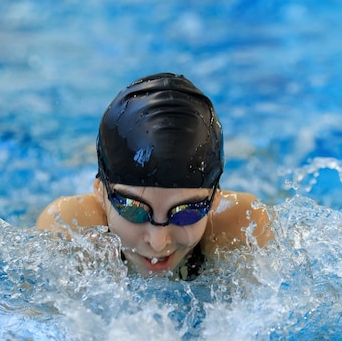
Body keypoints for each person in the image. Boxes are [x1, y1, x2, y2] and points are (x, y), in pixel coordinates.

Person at [36, 72, 272, 279]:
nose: (158, 241)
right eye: (132, 209)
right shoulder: (70, 230)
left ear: (215, 200)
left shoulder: (243, 229)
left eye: (187, 212)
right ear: (99, 191)